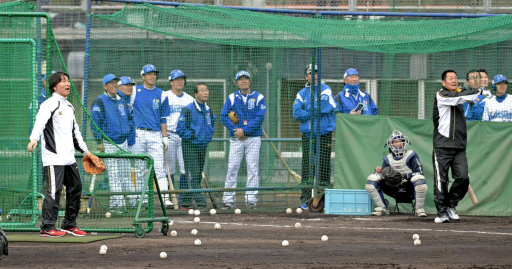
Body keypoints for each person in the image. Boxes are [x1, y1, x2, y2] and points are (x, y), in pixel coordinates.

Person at [28, 71, 90, 237]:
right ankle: (47, 227)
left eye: (68, 80)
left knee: (76, 187)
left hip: (69, 158)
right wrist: (34, 138)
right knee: (54, 192)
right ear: (54, 86)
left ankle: (69, 224)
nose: (68, 83)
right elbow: (39, 122)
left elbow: (75, 132)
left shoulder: (69, 106)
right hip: (53, 158)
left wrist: (86, 151)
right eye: (63, 81)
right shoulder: (49, 104)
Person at [432, 70, 491, 223]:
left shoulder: (461, 95)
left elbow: (465, 97)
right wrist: (479, 91)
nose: (454, 80)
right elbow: (458, 97)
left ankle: (451, 205)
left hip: (459, 146)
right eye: (450, 78)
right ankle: (442, 212)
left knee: (463, 177)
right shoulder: (442, 95)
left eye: (456, 78)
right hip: (442, 146)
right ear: (444, 82)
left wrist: (475, 96)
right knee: (441, 181)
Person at [90, 74, 136, 214]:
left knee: (125, 173)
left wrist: (129, 134)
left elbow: (129, 118)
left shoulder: (122, 100)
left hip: (123, 141)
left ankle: (133, 202)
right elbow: (95, 123)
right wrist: (99, 141)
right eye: (111, 83)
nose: (114, 85)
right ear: (105, 86)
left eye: (115, 82)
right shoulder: (100, 101)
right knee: (114, 174)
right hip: (109, 142)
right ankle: (117, 204)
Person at [293, 64, 337, 210]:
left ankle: (324, 201)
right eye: (311, 73)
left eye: (317, 73)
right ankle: (305, 201)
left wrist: (309, 109)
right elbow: (297, 113)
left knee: (324, 167)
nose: (314, 76)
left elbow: (327, 107)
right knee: (307, 168)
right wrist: (314, 111)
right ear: (306, 76)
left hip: (324, 135)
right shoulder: (301, 93)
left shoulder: (326, 89)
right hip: (308, 136)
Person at [220, 70, 266, 209]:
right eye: (240, 79)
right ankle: (228, 200)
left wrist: (244, 130)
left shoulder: (259, 97)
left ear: (250, 81)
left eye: (246, 78)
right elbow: (223, 116)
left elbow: (260, 118)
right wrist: (237, 131)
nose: (243, 81)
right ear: (237, 82)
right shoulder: (232, 97)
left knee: (252, 168)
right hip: (236, 138)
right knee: (232, 168)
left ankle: (251, 200)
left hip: (253, 138)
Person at [130, 64, 171, 207]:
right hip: (138, 133)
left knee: (159, 167)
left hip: (155, 134)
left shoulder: (162, 94)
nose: (152, 76)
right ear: (143, 76)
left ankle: (165, 198)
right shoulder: (135, 91)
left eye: (154, 73)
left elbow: (163, 118)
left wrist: (164, 137)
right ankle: (142, 199)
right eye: (149, 74)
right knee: (140, 168)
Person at [366, 130, 428, 217]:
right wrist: (380, 171)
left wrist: (404, 176)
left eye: (401, 141)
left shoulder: (411, 155)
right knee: (372, 180)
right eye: (395, 142)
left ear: (404, 143)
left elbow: (419, 172)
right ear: (391, 144)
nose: (398, 144)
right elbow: (384, 174)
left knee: (419, 180)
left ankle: (418, 209)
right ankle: (383, 207)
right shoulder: (387, 158)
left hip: (409, 187)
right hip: (393, 187)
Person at [176, 83, 215, 209]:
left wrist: (207, 136)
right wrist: (192, 136)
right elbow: (180, 129)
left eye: (207, 90)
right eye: (202, 91)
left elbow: (212, 123)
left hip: (202, 146)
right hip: (190, 146)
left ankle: (185, 202)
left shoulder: (208, 109)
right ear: (196, 94)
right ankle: (200, 201)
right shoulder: (188, 109)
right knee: (193, 174)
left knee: (197, 174)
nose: (206, 92)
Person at [163, 69, 194, 208]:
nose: (180, 82)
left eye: (182, 79)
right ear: (171, 82)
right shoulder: (164, 96)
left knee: (185, 168)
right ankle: (170, 199)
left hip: (184, 136)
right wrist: (163, 136)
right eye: (177, 79)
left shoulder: (189, 99)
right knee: (169, 169)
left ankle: (183, 200)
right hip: (169, 134)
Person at [117, 76, 136, 151]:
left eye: (131, 85)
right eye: (127, 85)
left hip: (129, 141)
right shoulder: (116, 100)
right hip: (117, 142)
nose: (130, 87)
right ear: (118, 87)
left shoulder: (128, 101)